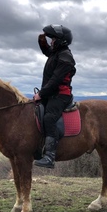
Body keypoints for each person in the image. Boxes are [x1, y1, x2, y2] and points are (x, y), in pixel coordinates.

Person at [34, 24, 76, 169]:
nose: (51, 42)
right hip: (51, 93)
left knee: (49, 118)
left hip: (60, 95)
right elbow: (48, 51)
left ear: (60, 41)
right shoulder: (58, 53)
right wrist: (42, 41)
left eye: (53, 39)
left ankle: (50, 156)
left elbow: (55, 80)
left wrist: (41, 94)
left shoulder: (66, 58)